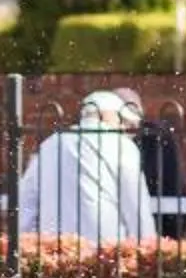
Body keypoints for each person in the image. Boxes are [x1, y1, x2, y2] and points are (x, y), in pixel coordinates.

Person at [17, 90, 151, 245]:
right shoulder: (121, 146)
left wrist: (28, 244)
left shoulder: (50, 144)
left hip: (56, 249)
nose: (124, 127)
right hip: (106, 249)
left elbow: (26, 201)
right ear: (109, 115)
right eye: (123, 121)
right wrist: (147, 247)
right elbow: (135, 206)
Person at [116, 87, 186, 240]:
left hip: (159, 226)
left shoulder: (158, 138)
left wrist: (171, 234)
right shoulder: (158, 137)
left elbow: (175, 185)